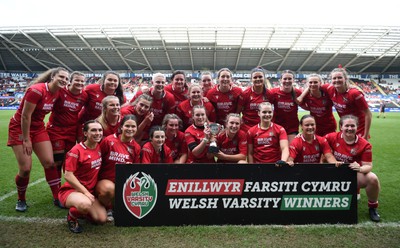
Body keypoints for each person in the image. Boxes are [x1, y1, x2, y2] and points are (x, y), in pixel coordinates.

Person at [7, 67, 69, 212]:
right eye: (61, 77)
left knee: (49, 162)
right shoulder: (36, 90)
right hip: (20, 128)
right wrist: (26, 139)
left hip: (38, 128)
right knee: (26, 169)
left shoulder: (58, 92)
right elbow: (25, 116)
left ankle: (57, 197)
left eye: (66, 79)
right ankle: (21, 200)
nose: (64, 80)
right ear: (52, 76)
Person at [325, 115, 381, 222]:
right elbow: (316, 141)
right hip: (334, 173)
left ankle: (373, 207)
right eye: (347, 126)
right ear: (341, 127)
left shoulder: (365, 145)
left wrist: (359, 168)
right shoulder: (331, 137)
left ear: (357, 127)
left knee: (372, 178)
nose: (350, 129)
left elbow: (368, 165)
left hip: (352, 174)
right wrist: (301, 135)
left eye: (352, 126)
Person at [46, 71, 88, 208]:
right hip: (56, 130)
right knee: (56, 162)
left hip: (71, 131)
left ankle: (66, 190)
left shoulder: (84, 96)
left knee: (68, 162)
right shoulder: (61, 92)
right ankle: (56, 193)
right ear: (70, 81)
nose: (80, 84)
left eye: (82, 81)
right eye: (77, 80)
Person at [58, 120, 107, 233]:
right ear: (85, 133)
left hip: (89, 191)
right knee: (85, 204)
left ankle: (84, 212)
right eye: (93, 130)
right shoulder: (76, 151)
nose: (98, 133)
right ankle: (72, 217)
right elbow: (68, 175)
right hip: (72, 191)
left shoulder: (99, 147)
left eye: (100, 130)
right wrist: (85, 192)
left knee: (101, 219)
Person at [96, 115, 141, 220]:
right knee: (108, 190)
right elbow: (97, 159)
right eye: (127, 126)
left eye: (133, 126)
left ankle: (118, 206)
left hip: (123, 182)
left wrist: (131, 169)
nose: (130, 129)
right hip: (105, 180)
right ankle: (108, 207)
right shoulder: (108, 141)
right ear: (121, 127)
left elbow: (136, 169)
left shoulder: (136, 147)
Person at [321, 68, 372, 140]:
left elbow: (368, 114)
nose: (336, 80)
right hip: (345, 127)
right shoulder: (329, 89)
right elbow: (314, 85)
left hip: (358, 128)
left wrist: (366, 134)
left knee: (357, 150)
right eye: (334, 78)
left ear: (345, 79)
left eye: (339, 78)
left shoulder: (354, 93)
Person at [78, 71, 125, 140]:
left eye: (115, 81)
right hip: (83, 124)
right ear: (103, 80)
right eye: (109, 79)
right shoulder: (91, 89)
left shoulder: (120, 98)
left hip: (101, 129)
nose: (112, 82)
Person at [269, 70, 302, 143]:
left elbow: (307, 105)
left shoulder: (298, 92)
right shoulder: (273, 92)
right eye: (285, 79)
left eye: (290, 79)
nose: (287, 81)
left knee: (291, 150)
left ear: (293, 80)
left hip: (292, 128)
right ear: (281, 80)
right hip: (277, 126)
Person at [237, 67, 271, 131]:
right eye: (255, 77)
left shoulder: (269, 94)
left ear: (264, 78)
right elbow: (238, 112)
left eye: (260, 77)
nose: (258, 79)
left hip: (264, 127)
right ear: (251, 79)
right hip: (247, 127)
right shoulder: (245, 94)